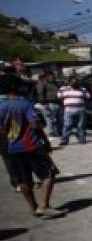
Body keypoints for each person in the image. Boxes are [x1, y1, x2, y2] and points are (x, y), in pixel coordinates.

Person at [0, 73, 62, 217]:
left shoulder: (2, 107)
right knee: (49, 174)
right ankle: (44, 205)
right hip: (31, 146)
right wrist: (45, 141)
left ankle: (33, 207)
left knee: (23, 180)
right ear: (15, 87)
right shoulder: (25, 104)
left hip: (12, 148)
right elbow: (35, 125)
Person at [59, 75, 87, 146]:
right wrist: (66, 89)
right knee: (67, 125)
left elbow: (88, 96)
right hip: (68, 110)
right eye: (73, 81)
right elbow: (59, 96)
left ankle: (82, 139)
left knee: (81, 126)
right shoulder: (63, 89)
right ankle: (64, 140)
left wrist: (81, 90)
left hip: (80, 110)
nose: (75, 82)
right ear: (69, 82)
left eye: (76, 81)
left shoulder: (82, 89)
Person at [34, 71, 60, 138]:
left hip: (57, 103)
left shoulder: (55, 83)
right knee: (49, 118)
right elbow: (40, 94)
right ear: (46, 77)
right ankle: (50, 133)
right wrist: (44, 103)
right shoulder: (42, 83)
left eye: (52, 75)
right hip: (48, 103)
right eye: (50, 76)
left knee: (55, 119)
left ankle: (55, 132)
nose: (52, 77)